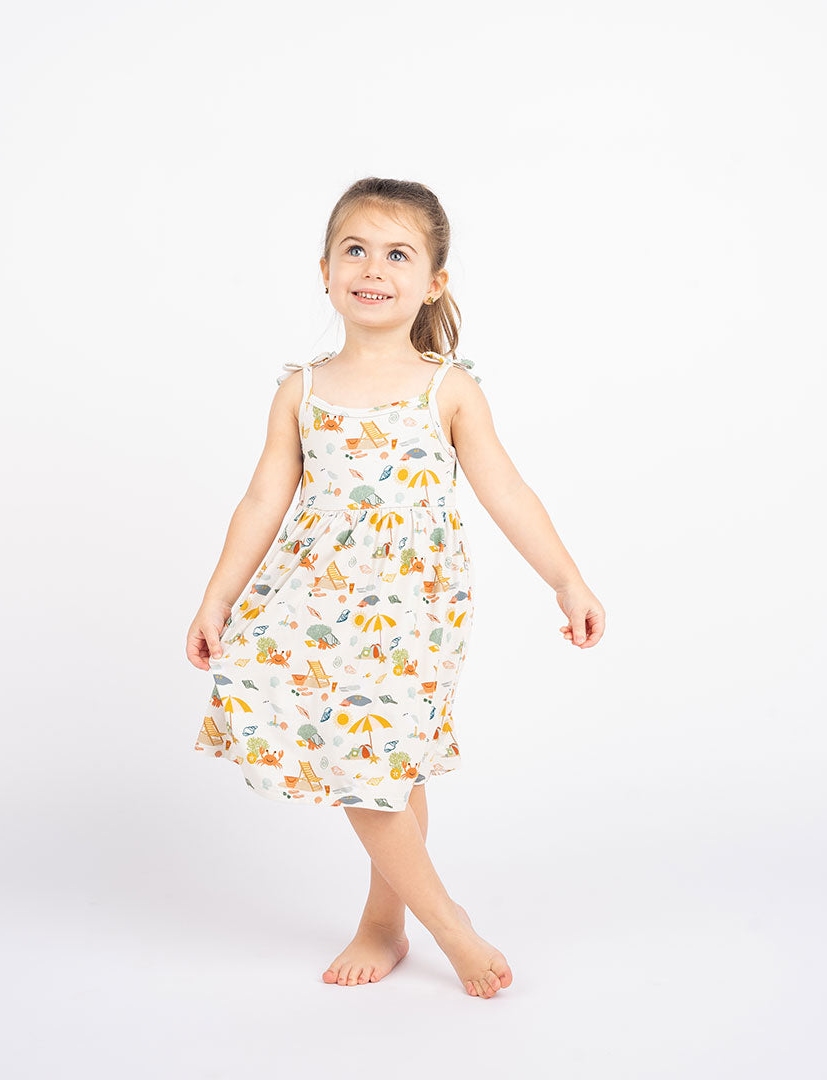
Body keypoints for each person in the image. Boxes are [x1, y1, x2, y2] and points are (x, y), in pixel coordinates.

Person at [186, 176, 605, 998]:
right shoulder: (300, 391)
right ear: (326, 269)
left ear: (433, 282)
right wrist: (215, 599)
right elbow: (263, 499)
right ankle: (391, 921)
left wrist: (568, 580)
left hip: (413, 608)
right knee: (375, 761)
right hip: (306, 606)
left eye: (397, 253)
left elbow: (507, 491)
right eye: (355, 249)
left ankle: (442, 923)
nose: (372, 267)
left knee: (378, 756)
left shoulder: (448, 388)